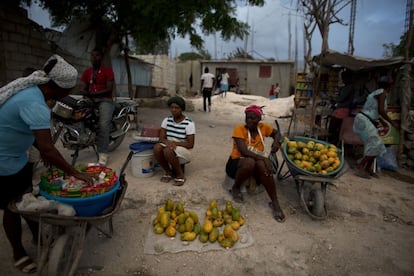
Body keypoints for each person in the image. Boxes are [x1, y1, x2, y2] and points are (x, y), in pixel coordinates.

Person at [0, 54, 94, 273]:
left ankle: (37, 236)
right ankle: (18, 252)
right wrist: (74, 173)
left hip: (17, 157)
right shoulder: (34, 103)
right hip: (3, 161)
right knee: (12, 208)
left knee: (28, 199)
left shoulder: (34, 92)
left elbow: (35, 137)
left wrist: (44, 152)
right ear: (61, 89)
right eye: (70, 90)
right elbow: (48, 149)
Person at [225, 105, 285, 222]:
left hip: (256, 161)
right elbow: (244, 151)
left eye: (253, 118)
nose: (249, 121)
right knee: (250, 162)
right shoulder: (239, 129)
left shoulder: (263, 128)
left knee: (263, 166)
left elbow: (277, 133)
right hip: (236, 163)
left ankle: (275, 202)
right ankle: (236, 188)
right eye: (247, 118)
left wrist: (276, 143)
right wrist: (264, 158)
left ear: (259, 120)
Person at [352, 76, 399, 179]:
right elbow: (381, 110)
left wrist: (383, 121)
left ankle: (367, 168)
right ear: (389, 86)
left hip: (365, 119)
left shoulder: (378, 92)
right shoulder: (382, 93)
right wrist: (391, 123)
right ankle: (360, 167)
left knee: (378, 145)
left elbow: (376, 111)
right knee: (375, 143)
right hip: (364, 120)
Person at [81, 47, 115, 166]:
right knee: (78, 115)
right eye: (92, 55)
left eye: (97, 55)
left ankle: (103, 154)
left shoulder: (107, 71)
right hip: (91, 99)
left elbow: (109, 89)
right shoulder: (87, 72)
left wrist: (94, 94)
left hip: (105, 100)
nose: (94, 58)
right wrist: (86, 94)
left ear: (101, 57)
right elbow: (84, 88)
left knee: (103, 125)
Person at [153, 96, 195, 186]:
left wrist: (174, 143)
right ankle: (168, 172)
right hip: (169, 146)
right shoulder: (167, 120)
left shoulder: (189, 123)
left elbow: (190, 144)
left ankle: (180, 175)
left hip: (183, 150)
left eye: (177, 108)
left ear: (182, 109)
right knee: (157, 148)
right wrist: (168, 143)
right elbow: (161, 138)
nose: (174, 110)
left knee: (168, 150)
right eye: (172, 107)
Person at [328, 70, 355, 145]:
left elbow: (341, 98)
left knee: (334, 128)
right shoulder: (346, 87)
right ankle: (334, 141)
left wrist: (334, 99)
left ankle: (334, 141)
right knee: (335, 127)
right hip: (340, 109)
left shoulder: (349, 87)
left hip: (343, 110)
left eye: (344, 78)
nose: (343, 80)